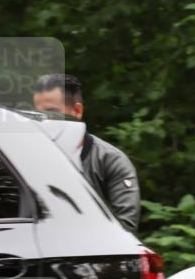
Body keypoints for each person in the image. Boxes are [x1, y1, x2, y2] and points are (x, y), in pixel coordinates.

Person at [33, 73, 141, 234]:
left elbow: (126, 227)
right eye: (37, 115)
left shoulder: (109, 160)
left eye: (51, 112)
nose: (43, 121)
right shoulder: (26, 158)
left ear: (77, 111)